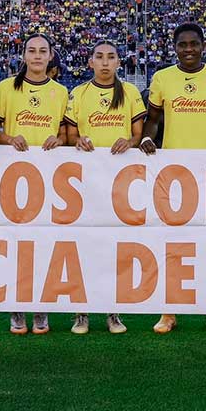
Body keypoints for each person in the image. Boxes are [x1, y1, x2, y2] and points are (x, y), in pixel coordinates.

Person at [140, 22, 206, 334]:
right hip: (173, 172)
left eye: (193, 44)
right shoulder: (162, 78)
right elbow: (153, 120)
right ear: (175, 47)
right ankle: (168, 311)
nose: (188, 50)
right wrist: (147, 139)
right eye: (182, 44)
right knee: (172, 244)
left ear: (203, 45)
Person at [64, 40, 147, 335]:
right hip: (86, 182)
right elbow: (71, 134)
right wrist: (78, 141)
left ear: (118, 62)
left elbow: (138, 134)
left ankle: (113, 311)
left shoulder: (131, 93)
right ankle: (81, 312)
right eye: (99, 57)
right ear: (90, 62)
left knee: (116, 247)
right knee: (83, 245)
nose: (104, 62)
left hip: (120, 182)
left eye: (110, 57)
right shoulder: (79, 93)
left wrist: (130, 142)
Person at [0, 34, 69, 336]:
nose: (37, 56)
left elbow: (67, 135)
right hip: (13, 176)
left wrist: (59, 139)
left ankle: (41, 306)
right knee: (15, 243)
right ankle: (16, 306)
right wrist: (10, 138)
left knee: (43, 244)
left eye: (43, 51)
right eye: (31, 51)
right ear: (23, 55)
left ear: (50, 56)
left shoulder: (61, 91)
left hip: (48, 177)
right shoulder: (6, 88)